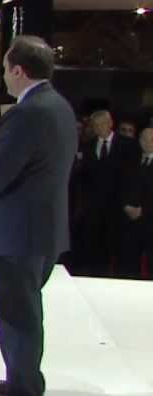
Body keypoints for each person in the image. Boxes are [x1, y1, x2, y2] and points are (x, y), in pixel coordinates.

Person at [0, 35, 77, 396]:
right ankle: (21, 378)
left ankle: (25, 395)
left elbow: (0, 168)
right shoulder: (60, 107)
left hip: (17, 231)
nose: (4, 77)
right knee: (25, 310)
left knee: (17, 314)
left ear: (18, 70)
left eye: (5, 70)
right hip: (42, 230)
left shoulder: (26, 112)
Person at [74, 110, 139, 276]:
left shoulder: (128, 145)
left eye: (101, 124)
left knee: (116, 249)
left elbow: (132, 177)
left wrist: (128, 201)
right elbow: (83, 177)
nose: (97, 128)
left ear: (110, 124)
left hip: (117, 208)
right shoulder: (88, 145)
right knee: (93, 249)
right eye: (94, 125)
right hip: (93, 209)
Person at [120, 127, 153, 279]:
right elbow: (120, 186)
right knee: (128, 263)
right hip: (130, 221)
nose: (146, 143)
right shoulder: (130, 161)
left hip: (150, 220)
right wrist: (125, 205)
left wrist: (143, 210)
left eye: (150, 140)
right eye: (143, 139)